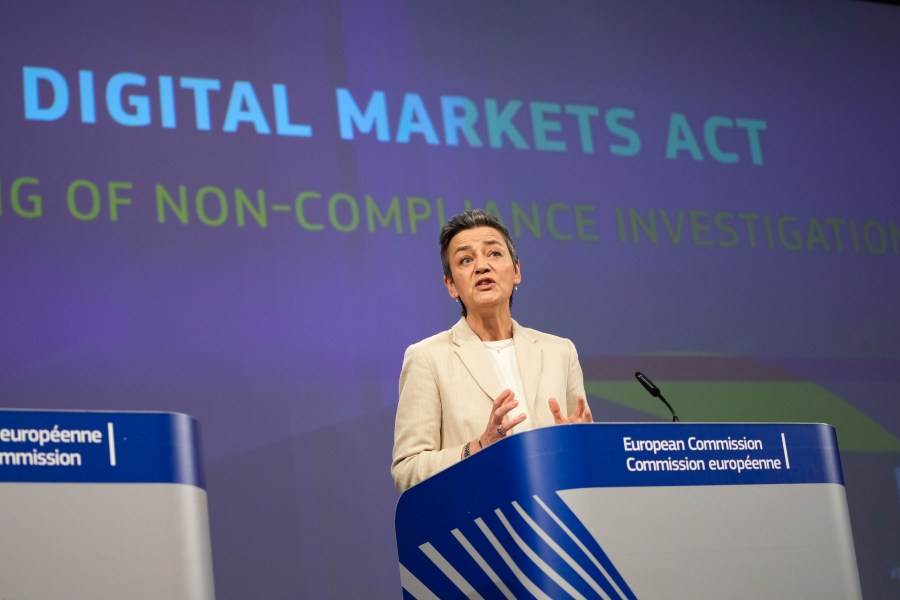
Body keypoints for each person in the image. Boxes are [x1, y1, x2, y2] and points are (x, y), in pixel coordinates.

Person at [391, 209, 592, 492]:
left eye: (494, 254)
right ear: (451, 286)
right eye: (465, 260)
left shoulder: (559, 351)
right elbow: (407, 471)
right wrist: (479, 446)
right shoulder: (427, 358)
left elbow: (586, 454)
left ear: (517, 271)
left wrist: (580, 445)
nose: (482, 266)